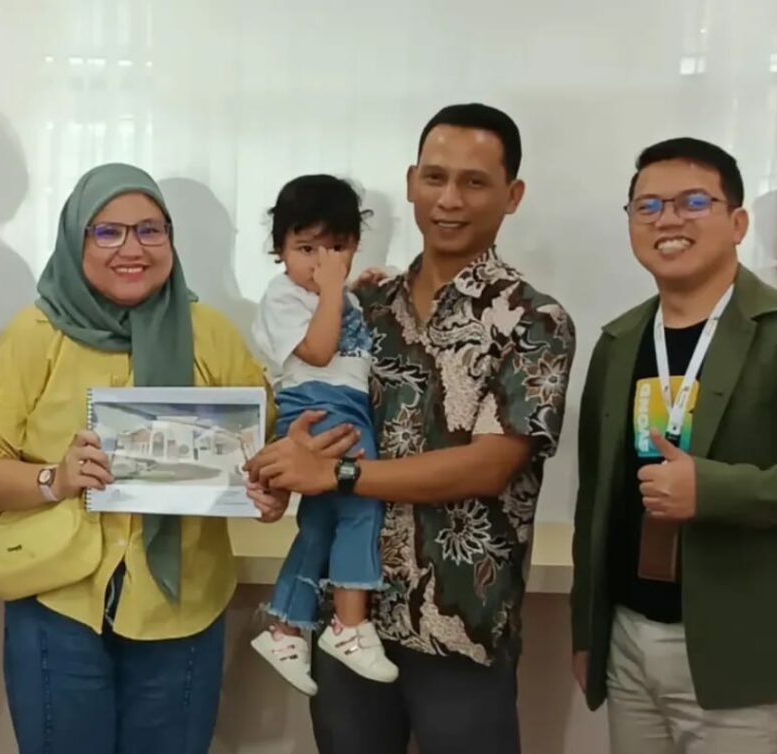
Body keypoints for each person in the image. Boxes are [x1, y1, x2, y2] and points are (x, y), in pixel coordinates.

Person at [245, 103, 576, 754]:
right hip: (348, 623)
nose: (449, 199)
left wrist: (337, 473)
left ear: (512, 195)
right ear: (410, 182)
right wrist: (279, 474)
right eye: (434, 177)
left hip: (459, 625)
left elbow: (490, 465)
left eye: (474, 182)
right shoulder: (358, 306)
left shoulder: (532, 319)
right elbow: (302, 411)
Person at [0, 162, 290, 754]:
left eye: (151, 230)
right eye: (108, 231)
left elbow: (263, 452)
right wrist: (54, 478)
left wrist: (268, 490)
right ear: (76, 238)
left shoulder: (210, 334)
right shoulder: (35, 334)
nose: (132, 248)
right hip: (58, 601)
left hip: (182, 603)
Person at [570, 138, 777, 753]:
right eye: (648, 206)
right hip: (628, 639)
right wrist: (587, 631)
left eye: (693, 202)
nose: (667, 219)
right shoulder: (619, 342)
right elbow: (594, 499)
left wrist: (711, 489)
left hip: (742, 651)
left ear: (737, 222)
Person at [249, 174, 397, 696]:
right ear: (280, 250)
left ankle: (286, 629)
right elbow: (316, 351)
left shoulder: (341, 297)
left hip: (345, 404)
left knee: (319, 525)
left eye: (336, 248)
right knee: (362, 507)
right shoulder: (282, 295)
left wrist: (352, 291)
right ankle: (349, 626)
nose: (321, 262)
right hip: (318, 406)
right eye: (306, 248)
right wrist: (337, 289)